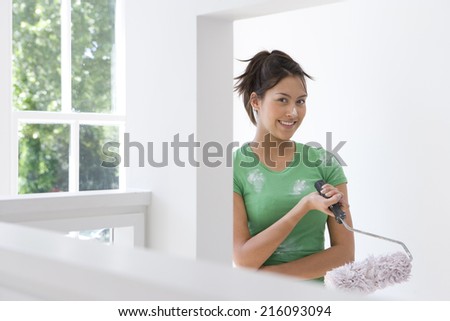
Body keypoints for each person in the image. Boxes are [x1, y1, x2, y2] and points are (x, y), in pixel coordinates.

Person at [233, 50, 355, 281]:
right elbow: (243, 259)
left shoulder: (324, 163)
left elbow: (345, 255)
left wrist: (268, 279)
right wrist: (304, 206)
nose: (293, 112)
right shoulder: (234, 168)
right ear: (256, 101)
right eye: (282, 100)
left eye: (301, 101)